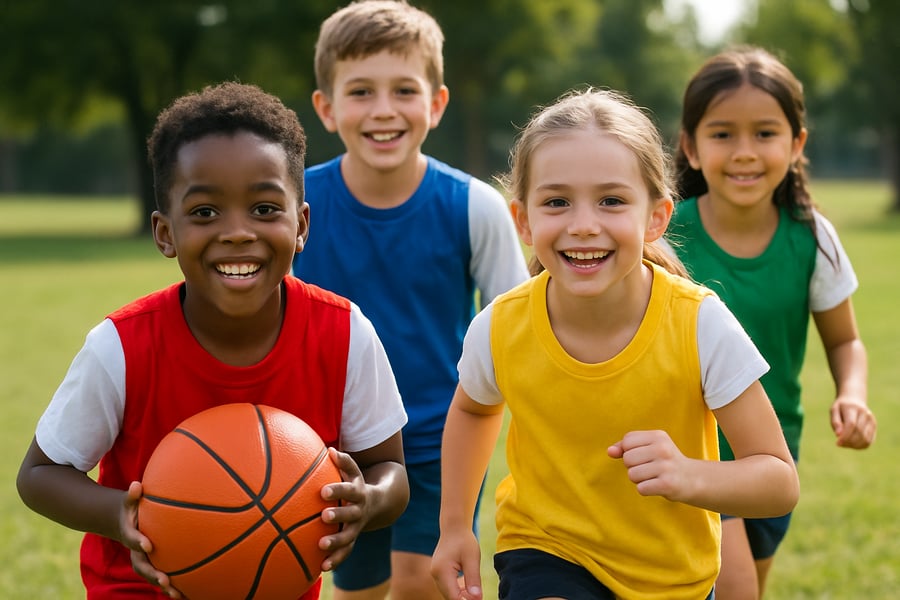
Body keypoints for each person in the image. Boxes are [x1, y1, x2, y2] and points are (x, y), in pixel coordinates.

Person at [16, 81, 410, 600]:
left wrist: (366, 501)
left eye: (266, 209)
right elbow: (40, 476)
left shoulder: (345, 333)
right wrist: (122, 515)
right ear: (165, 233)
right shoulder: (122, 346)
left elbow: (393, 473)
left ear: (302, 226)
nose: (237, 232)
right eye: (205, 213)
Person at [430, 88, 801, 600]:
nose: (584, 225)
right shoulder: (500, 326)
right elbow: (473, 411)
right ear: (523, 220)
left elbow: (779, 481)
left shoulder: (699, 324)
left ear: (656, 217)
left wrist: (689, 476)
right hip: (545, 547)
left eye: (611, 200)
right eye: (557, 202)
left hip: (671, 577)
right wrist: (454, 527)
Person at [292, 2, 529, 599]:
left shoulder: (475, 207)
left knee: (423, 584)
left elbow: (516, 329)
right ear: (326, 108)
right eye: (361, 91)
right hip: (333, 449)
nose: (383, 110)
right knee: (359, 590)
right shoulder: (293, 207)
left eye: (403, 89)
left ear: (436, 103)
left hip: (438, 443)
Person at [667, 46, 877, 599]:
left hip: (773, 455)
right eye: (722, 134)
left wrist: (851, 394)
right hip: (693, 452)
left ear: (797, 143)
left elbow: (846, 340)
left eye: (764, 133)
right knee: (734, 590)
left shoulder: (813, 240)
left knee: (748, 588)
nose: (744, 153)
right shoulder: (663, 237)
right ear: (689, 145)